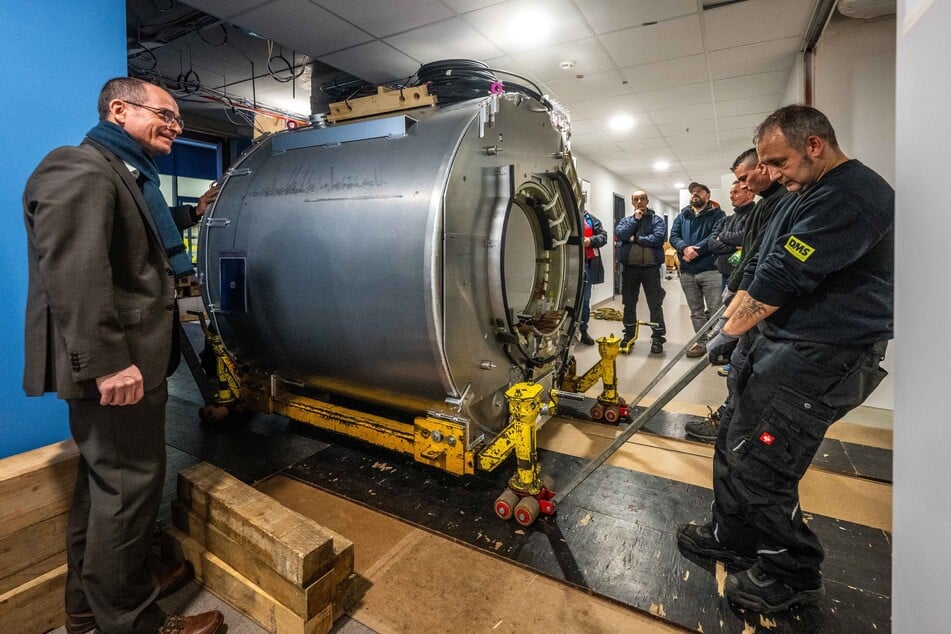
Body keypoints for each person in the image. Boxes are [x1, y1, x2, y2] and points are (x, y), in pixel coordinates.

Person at [22, 77, 223, 634]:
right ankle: (134, 621)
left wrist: (194, 213)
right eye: (166, 114)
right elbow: (75, 275)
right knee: (129, 489)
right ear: (119, 110)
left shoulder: (125, 174)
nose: (176, 127)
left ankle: (87, 605)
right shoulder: (79, 167)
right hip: (116, 364)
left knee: (105, 486)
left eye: (178, 119)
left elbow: (138, 236)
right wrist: (108, 362)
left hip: (129, 359)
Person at [676, 105, 892, 613]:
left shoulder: (852, 195)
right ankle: (733, 535)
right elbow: (762, 265)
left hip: (821, 353)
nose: (770, 174)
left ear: (814, 145)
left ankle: (790, 571)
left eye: (778, 162)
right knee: (733, 440)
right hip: (780, 342)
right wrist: (735, 325)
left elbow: (784, 277)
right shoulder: (805, 193)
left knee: (762, 461)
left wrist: (730, 332)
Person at [684, 148, 794, 440]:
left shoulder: (785, 203)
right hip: (747, 288)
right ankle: (731, 423)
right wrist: (737, 286)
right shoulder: (767, 205)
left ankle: (733, 428)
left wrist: (735, 308)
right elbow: (749, 252)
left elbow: (764, 258)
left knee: (744, 365)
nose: (742, 186)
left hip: (765, 299)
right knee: (741, 365)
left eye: (744, 179)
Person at [669, 182, 726, 357]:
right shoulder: (682, 215)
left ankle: (717, 346)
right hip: (687, 272)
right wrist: (685, 248)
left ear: (707, 196)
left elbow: (714, 237)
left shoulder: (718, 215)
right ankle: (701, 343)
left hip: (710, 270)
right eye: (692, 192)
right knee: (696, 312)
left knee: (716, 310)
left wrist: (695, 251)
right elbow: (673, 236)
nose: (695, 194)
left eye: (699, 191)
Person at [615, 190, 667, 353]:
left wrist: (636, 239)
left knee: (655, 303)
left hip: (651, 269)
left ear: (647, 201)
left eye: (642, 199)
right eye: (636, 199)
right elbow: (622, 234)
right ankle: (629, 335)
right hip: (630, 269)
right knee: (629, 303)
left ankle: (657, 337)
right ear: (632, 202)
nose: (639, 202)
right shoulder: (626, 221)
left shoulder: (657, 220)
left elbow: (658, 238)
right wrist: (635, 220)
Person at [710, 180, 754, 290]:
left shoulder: (756, 216)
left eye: (735, 192)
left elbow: (745, 237)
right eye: (730, 193)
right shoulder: (726, 220)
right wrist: (734, 247)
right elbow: (712, 244)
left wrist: (722, 236)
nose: (731, 196)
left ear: (749, 194)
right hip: (725, 276)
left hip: (747, 277)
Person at [578, 209, 608, 345]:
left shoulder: (591, 219)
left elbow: (603, 236)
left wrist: (590, 241)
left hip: (587, 265)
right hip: (569, 264)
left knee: (585, 300)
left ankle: (583, 330)